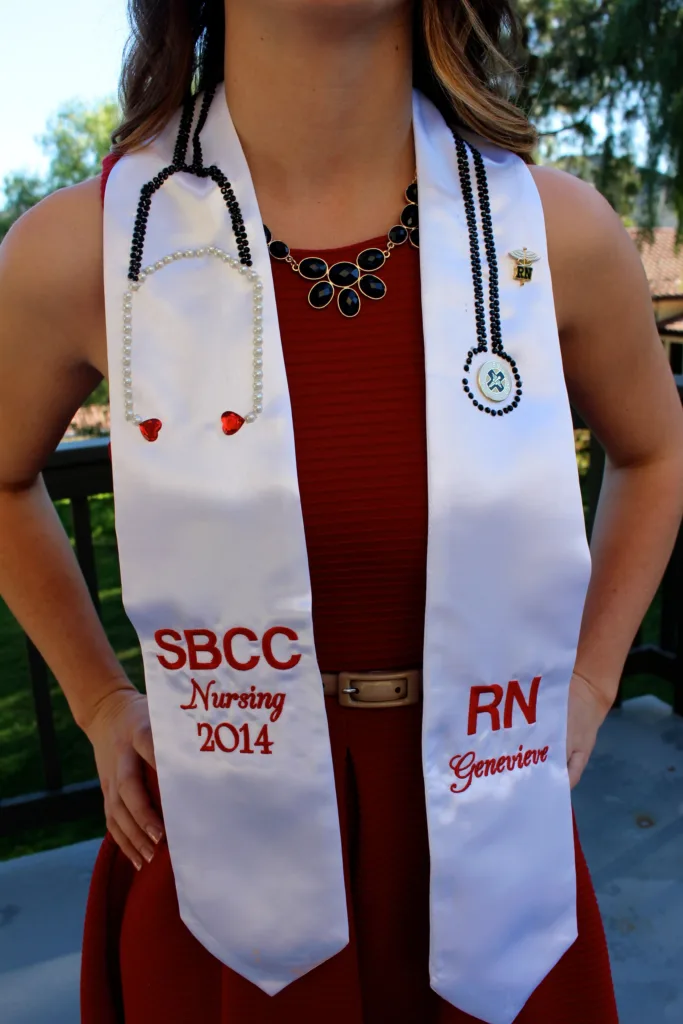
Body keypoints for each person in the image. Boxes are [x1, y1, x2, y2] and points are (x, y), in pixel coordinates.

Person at [1, 1, 682, 1022]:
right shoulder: (87, 247)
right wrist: (101, 702)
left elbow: (653, 448)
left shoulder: (552, 235)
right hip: (224, 874)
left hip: (487, 843)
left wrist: (586, 680)